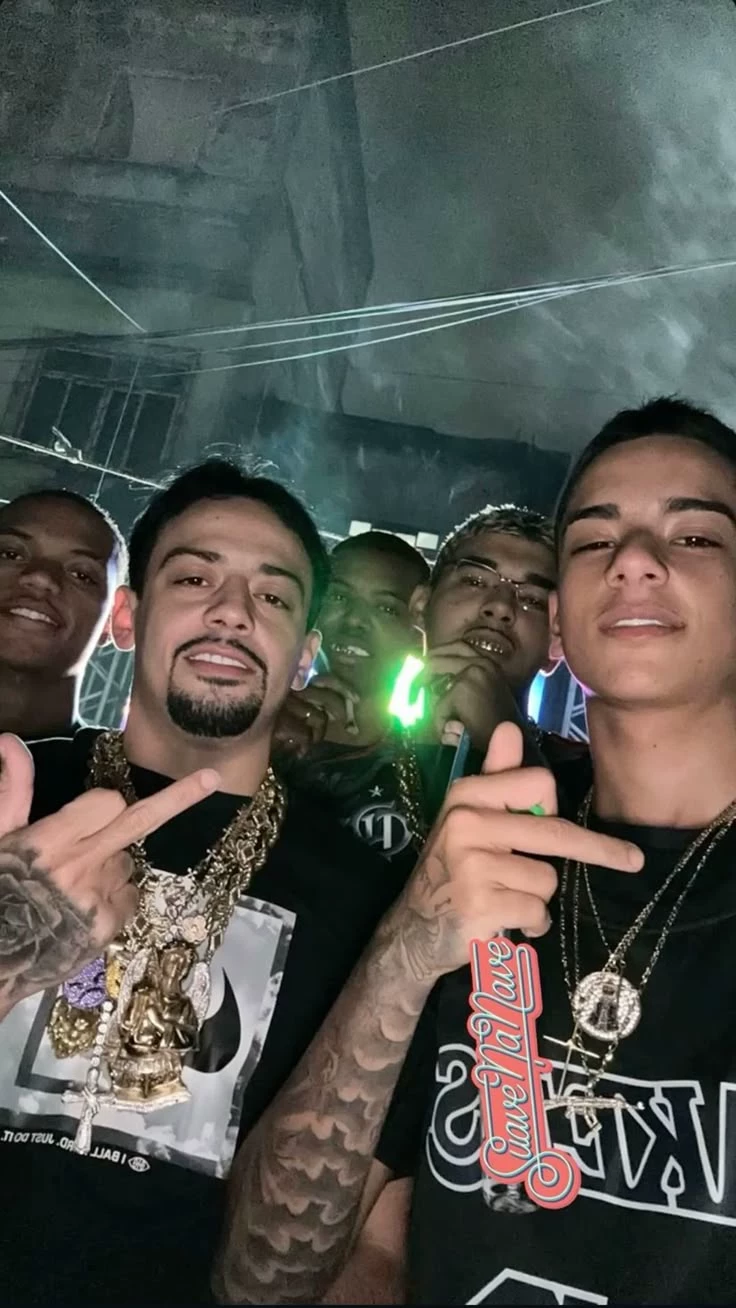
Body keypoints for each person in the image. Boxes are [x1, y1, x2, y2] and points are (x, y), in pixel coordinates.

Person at [216, 395, 736, 1308]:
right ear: (565, 624)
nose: (634, 560)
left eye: (693, 536)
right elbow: (262, 1279)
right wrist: (406, 946)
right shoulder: (463, 873)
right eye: (594, 540)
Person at [0, 461, 406, 1305]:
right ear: (127, 616)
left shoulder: (369, 897)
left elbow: (369, 1245)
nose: (232, 612)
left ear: (304, 656)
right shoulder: (14, 791)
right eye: (194, 578)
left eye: (273, 596)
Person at [278, 509, 570, 901]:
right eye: (474, 580)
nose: (500, 606)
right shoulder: (323, 745)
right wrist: (259, 750)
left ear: (558, 639)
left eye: (531, 598)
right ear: (422, 605)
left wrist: (506, 735)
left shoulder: (583, 778)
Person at [0, 488, 127, 739]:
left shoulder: (126, 765)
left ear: (112, 620)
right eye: (11, 554)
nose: (41, 577)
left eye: (82, 575)